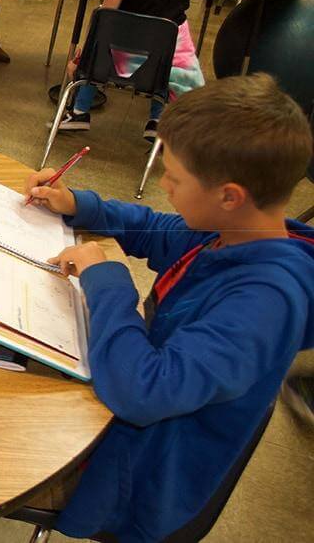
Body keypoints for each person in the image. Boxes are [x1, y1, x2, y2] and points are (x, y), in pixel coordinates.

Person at [26, 73, 314, 541]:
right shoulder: (234, 230)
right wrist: (80, 205)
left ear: (229, 196)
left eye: (174, 178)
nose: (164, 184)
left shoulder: (264, 303)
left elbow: (144, 392)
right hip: (133, 424)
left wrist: (108, 278)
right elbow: (159, 228)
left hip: (143, 475)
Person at [57, 0, 217, 141]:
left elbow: (105, 18)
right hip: (168, 61)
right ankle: (158, 121)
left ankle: (79, 111)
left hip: (120, 55)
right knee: (165, 54)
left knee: (99, 44)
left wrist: (81, 57)